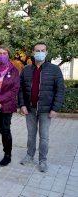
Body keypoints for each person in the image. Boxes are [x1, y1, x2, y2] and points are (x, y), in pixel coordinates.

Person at [19, 42, 65, 172]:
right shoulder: (26, 70)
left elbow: (60, 90)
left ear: (46, 52)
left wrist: (55, 108)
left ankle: (43, 160)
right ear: (33, 52)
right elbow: (21, 89)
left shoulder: (55, 70)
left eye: (42, 50)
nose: (40, 52)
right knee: (31, 135)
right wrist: (22, 104)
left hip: (46, 111)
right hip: (30, 109)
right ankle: (29, 155)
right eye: (37, 50)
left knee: (44, 137)